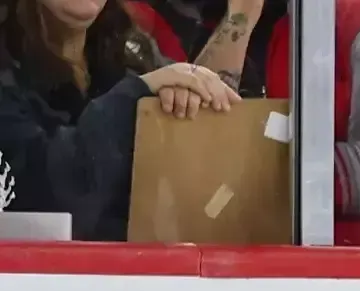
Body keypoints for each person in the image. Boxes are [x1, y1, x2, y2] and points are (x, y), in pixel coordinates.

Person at [126, 0, 360, 244]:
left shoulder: (352, 19)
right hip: (204, 255)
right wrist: (240, 19)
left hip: (327, 261)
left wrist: (271, 174)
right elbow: (184, 155)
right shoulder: (161, 23)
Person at [0, 0, 237, 240]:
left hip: (143, 273)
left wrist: (181, 98)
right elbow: (47, 205)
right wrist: (135, 95)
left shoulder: (131, 50)